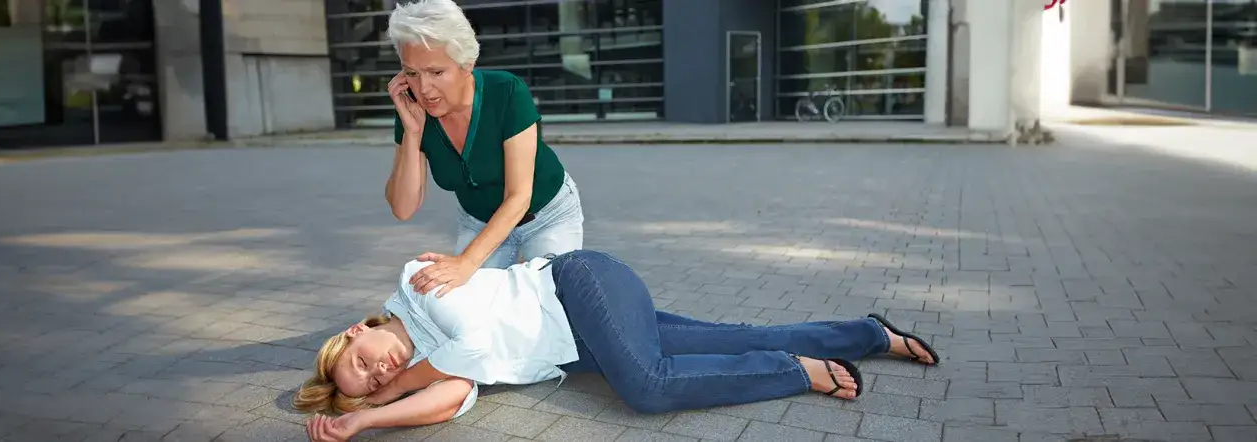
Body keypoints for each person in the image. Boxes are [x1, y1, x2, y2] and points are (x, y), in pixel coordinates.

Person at [293, 250, 940, 442]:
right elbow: (454, 395)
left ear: (359, 329)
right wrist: (368, 420)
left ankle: (797, 372)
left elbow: (476, 339)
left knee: (647, 386)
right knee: (728, 339)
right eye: (371, 381)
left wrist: (399, 386)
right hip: (590, 340)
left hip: (579, 286)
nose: (380, 370)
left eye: (361, 363)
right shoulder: (426, 374)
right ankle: (870, 333)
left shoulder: (419, 279)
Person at [381, 0, 584, 298]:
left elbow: (519, 197)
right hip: (480, 223)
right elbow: (403, 208)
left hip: (547, 215)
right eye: (411, 73)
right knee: (459, 302)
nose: (423, 89)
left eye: (436, 72)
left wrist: (466, 263)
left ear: (466, 65)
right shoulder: (412, 111)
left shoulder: (506, 92)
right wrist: (412, 133)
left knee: (552, 301)